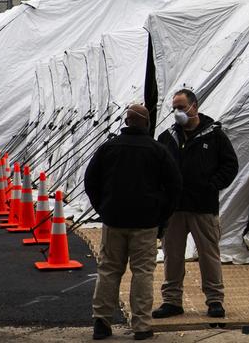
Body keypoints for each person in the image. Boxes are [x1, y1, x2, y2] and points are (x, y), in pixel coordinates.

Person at [85, 104, 182, 341]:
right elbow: (175, 186)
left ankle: (102, 322)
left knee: (108, 269)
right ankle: (141, 326)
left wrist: (103, 208)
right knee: (142, 273)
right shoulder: (157, 150)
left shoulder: (109, 148)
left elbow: (91, 181)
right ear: (147, 124)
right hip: (146, 223)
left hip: (114, 221)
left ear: (126, 122)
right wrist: (161, 217)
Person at [152, 89, 238, 319]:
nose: (178, 112)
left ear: (194, 107)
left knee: (209, 255)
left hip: (203, 207)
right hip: (175, 209)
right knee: (172, 255)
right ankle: (171, 300)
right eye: (175, 108)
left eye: (181, 107)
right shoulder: (167, 138)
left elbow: (230, 165)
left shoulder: (215, 136)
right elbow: (157, 169)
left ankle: (215, 300)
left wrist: (212, 185)